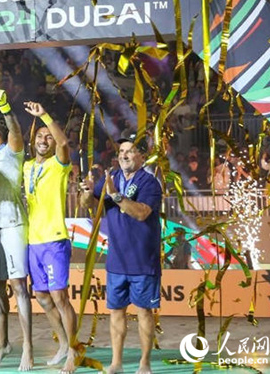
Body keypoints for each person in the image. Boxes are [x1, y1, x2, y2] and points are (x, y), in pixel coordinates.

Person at [79, 132, 162, 374]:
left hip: (143, 260)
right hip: (117, 260)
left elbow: (142, 213)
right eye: (121, 151)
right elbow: (89, 204)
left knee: (144, 311)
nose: (123, 155)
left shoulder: (149, 182)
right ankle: (116, 362)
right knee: (116, 312)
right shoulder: (111, 177)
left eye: (130, 151)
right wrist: (85, 190)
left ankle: (144, 363)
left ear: (142, 156)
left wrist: (115, 195)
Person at [22, 101, 78, 373]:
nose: (44, 140)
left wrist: (43, 115)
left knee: (60, 297)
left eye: (48, 137)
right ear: (33, 142)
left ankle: (73, 350)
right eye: (39, 137)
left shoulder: (59, 164)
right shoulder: (27, 167)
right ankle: (63, 345)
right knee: (43, 298)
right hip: (33, 241)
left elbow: (64, 142)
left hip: (55, 239)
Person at [0, 89, 32, 370]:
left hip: (13, 225)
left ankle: (27, 348)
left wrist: (4, 107)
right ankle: (2, 344)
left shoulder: (12, 151)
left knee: (19, 287)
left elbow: (15, 128)